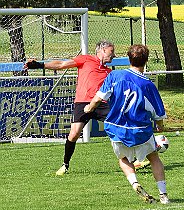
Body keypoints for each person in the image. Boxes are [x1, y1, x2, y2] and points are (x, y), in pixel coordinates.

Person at [83, 44, 169, 204]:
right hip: (140, 130)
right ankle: (163, 195)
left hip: (117, 129)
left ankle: (135, 183)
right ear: (145, 61)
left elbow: (98, 97)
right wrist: (159, 126)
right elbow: (158, 113)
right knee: (154, 157)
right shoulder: (148, 85)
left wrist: (89, 107)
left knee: (123, 159)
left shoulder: (115, 76)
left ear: (129, 59)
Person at [25, 40, 116, 176]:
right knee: (74, 134)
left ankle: (135, 159)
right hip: (82, 102)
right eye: (111, 51)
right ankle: (65, 165)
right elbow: (61, 64)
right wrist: (39, 65)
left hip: (100, 103)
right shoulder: (85, 59)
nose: (113, 55)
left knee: (120, 126)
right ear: (102, 50)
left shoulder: (109, 72)